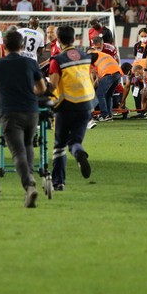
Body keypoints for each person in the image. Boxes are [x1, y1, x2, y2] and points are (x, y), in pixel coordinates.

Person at [0, 31, 47, 208]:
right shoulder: (30, 63)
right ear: (22, 46)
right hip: (31, 111)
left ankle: (29, 186)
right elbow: (42, 88)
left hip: (10, 113)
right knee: (28, 145)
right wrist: (29, 93)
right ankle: (30, 180)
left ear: (3, 46)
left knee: (17, 152)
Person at [47, 25, 94, 191]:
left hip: (65, 106)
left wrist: (41, 94)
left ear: (58, 40)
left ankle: (58, 182)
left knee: (59, 145)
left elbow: (52, 85)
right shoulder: (85, 57)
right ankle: (79, 152)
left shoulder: (57, 60)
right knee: (75, 141)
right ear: (74, 39)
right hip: (85, 105)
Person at [90, 43, 122, 122]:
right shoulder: (104, 56)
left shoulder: (94, 54)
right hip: (117, 74)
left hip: (109, 74)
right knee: (108, 95)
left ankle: (104, 115)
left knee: (99, 94)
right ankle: (109, 115)